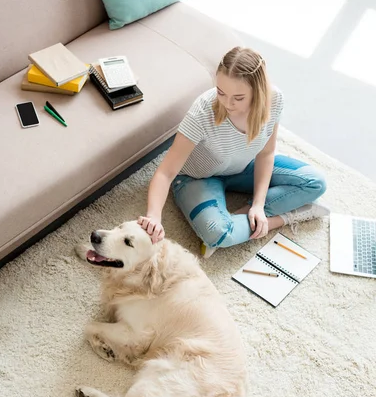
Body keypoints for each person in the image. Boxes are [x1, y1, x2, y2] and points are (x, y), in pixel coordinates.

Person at [138, 47, 327, 258]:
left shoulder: (274, 100)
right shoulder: (202, 112)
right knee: (217, 233)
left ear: (258, 91)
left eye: (238, 97)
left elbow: (266, 154)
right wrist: (153, 217)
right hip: (197, 178)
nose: (227, 103)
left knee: (316, 182)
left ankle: (244, 219)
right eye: (221, 92)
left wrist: (258, 205)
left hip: (244, 167)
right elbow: (165, 173)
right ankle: (283, 218)